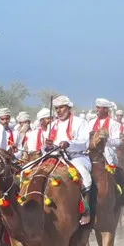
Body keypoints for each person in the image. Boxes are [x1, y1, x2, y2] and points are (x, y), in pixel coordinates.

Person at [45, 96, 92, 224]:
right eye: (56, 108)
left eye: (61, 108)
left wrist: (68, 143)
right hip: (55, 157)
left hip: (76, 156)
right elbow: (46, 147)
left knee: (84, 174)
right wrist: (47, 146)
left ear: (68, 108)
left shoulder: (80, 122)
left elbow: (84, 143)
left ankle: (86, 211)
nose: (59, 111)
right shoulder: (52, 125)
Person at [88, 98, 123, 165]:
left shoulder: (114, 124)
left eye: (99, 108)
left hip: (108, 151)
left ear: (106, 109)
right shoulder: (91, 122)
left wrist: (106, 140)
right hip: (93, 150)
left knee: (108, 156)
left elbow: (118, 142)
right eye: (96, 107)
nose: (96, 110)